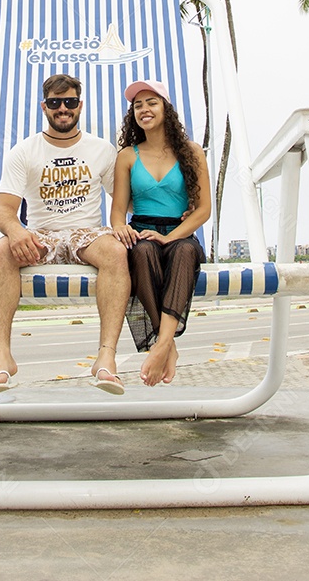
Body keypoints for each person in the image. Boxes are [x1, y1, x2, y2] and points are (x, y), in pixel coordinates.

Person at [0, 73, 131, 396]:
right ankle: (2, 358)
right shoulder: (23, 151)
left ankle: (105, 357)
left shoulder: (102, 150)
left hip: (86, 233)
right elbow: (5, 212)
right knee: (1, 251)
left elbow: (126, 201)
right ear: (44, 106)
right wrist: (17, 232)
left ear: (80, 105)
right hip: (42, 234)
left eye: (70, 102)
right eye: (55, 102)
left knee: (117, 252)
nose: (63, 108)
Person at [110, 79, 211, 387]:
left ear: (166, 108)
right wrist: (122, 230)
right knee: (141, 252)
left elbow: (204, 209)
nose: (144, 109)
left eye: (151, 102)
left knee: (182, 251)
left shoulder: (192, 152)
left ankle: (160, 345)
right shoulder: (127, 156)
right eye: (137, 105)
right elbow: (117, 213)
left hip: (179, 234)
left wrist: (171, 236)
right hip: (142, 233)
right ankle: (168, 345)